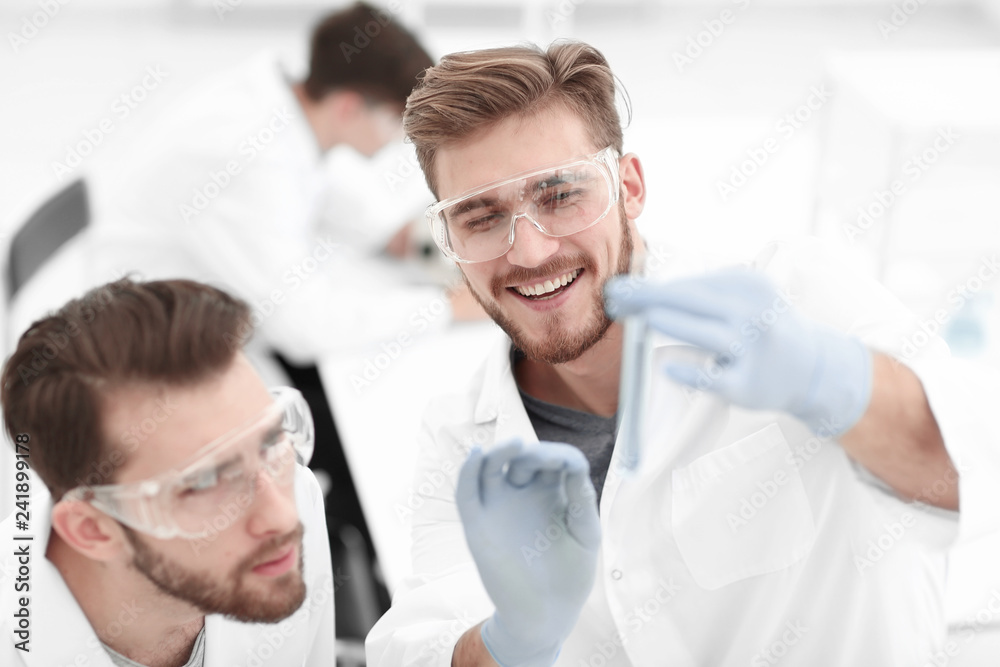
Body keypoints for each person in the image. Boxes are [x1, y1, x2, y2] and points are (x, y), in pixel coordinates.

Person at [364, 41, 1000, 666]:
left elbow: (977, 468)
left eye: (560, 195)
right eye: (480, 217)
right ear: (448, 239)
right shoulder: (460, 438)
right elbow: (421, 646)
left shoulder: (794, 296)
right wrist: (515, 640)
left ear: (630, 187)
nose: (528, 253)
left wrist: (833, 382)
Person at [0, 278, 335, 666]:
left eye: (270, 441)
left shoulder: (289, 496)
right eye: (205, 481)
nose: (281, 517)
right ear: (93, 530)